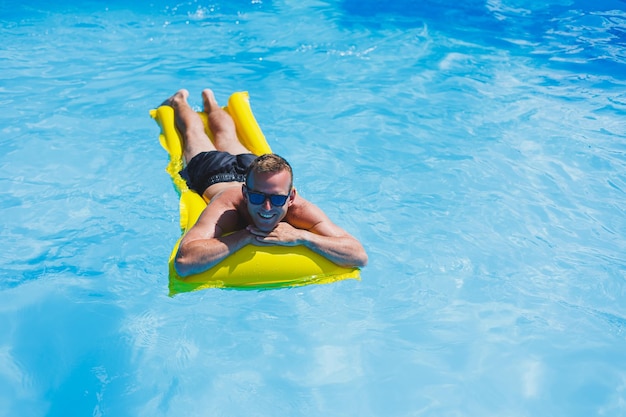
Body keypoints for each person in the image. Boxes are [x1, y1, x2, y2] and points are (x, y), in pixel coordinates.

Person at [163, 89, 368, 277]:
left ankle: (211, 104)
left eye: (278, 199)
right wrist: (244, 236)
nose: (267, 207)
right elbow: (184, 261)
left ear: (291, 197)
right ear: (244, 194)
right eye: (257, 197)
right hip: (213, 172)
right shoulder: (228, 207)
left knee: (227, 135)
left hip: (254, 171)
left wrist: (303, 237)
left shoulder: (298, 209)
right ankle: (180, 100)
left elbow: (358, 255)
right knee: (193, 133)